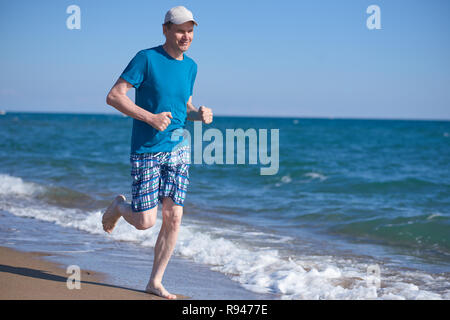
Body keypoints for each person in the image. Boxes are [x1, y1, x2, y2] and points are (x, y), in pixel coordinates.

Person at [102, 6, 213, 299]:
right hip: (147, 149)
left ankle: (155, 282)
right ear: (165, 29)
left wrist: (199, 114)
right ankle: (119, 207)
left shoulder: (192, 67)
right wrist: (150, 118)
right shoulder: (146, 58)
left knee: (174, 217)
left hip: (178, 149)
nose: (185, 36)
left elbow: (184, 108)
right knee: (145, 222)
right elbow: (114, 96)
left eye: (190, 31)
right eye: (179, 30)